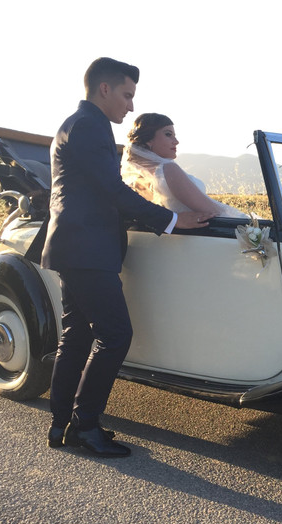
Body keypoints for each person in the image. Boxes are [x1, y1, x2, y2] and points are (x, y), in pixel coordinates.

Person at [42, 57, 212, 457]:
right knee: (115, 335)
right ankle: (84, 426)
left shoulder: (76, 124)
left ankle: (60, 425)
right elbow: (112, 191)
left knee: (79, 334)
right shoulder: (89, 126)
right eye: (127, 94)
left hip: (76, 247)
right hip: (86, 248)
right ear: (105, 89)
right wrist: (172, 219)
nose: (131, 106)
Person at [121, 113, 247, 218]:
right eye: (168, 134)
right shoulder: (168, 169)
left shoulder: (139, 179)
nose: (176, 141)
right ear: (149, 140)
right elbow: (213, 211)